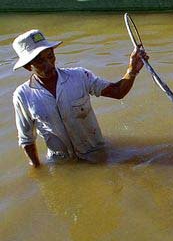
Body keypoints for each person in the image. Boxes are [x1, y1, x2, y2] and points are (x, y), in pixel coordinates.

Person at [11, 29, 149, 167]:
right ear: (27, 66)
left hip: (97, 153)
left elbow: (118, 92)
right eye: (40, 61)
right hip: (62, 163)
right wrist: (37, 168)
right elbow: (27, 139)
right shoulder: (22, 95)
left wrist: (132, 70)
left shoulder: (80, 76)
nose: (49, 64)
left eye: (50, 56)